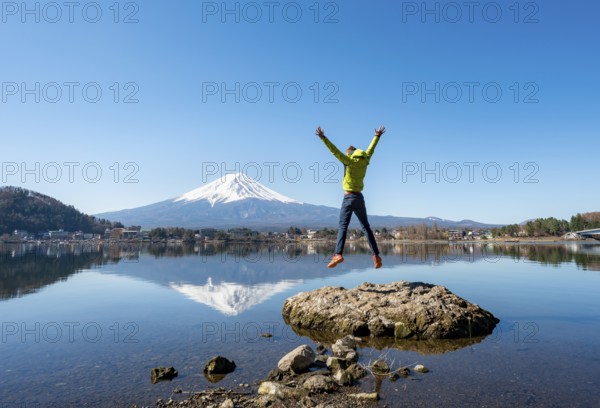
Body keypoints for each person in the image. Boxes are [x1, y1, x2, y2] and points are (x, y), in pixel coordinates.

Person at [315, 125, 385, 269]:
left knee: (343, 226)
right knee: (366, 227)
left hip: (348, 198)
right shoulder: (365, 159)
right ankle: (376, 256)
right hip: (360, 198)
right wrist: (377, 136)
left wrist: (323, 138)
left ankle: (338, 254)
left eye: (347, 154)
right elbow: (371, 149)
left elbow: (334, 151)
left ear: (350, 154)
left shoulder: (349, 161)